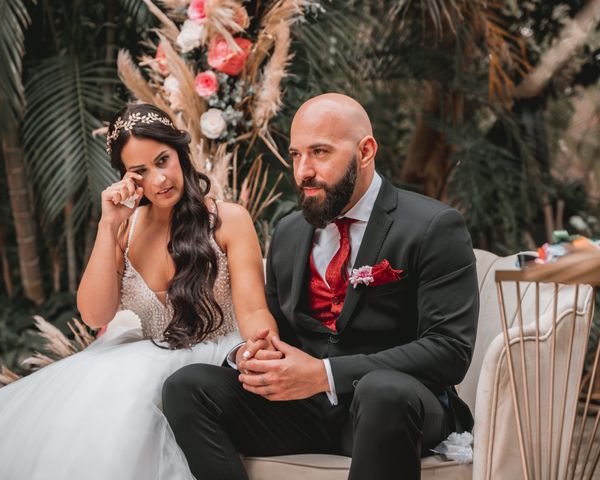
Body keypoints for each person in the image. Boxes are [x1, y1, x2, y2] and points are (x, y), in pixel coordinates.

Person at [163, 93, 479, 480]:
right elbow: (280, 329)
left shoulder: (433, 226)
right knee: (187, 386)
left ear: (365, 151)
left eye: (320, 152)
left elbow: (449, 351)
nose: (303, 171)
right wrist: (255, 355)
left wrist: (325, 374)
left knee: (382, 391)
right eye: (296, 155)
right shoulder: (290, 232)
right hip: (307, 411)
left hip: (396, 408)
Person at [0, 103, 278, 480]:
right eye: (140, 172)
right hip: (149, 353)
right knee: (98, 398)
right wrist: (108, 226)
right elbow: (95, 315)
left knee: (129, 391)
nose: (159, 179)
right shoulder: (125, 230)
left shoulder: (228, 220)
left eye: (163, 160)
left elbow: (254, 309)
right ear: (125, 178)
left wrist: (264, 344)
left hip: (216, 356)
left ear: (180, 153)